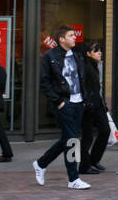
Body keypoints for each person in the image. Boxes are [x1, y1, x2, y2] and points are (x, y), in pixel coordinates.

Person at [34, 24, 91, 190]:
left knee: (68, 138)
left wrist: (84, 99)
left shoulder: (77, 55)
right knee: (72, 140)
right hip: (64, 104)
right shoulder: (49, 56)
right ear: (61, 39)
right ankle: (73, 179)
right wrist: (58, 101)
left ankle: (41, 163)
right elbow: (44, 83)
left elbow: (82, 79)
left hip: (78, 103)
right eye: (71, 35)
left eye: (74, 35)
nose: (75, 38)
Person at [79, 42, 110, 174]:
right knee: (87, 137)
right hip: (87, 106)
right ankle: (84, 166)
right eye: (96, 50)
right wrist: (86, 103)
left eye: (100, 50)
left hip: (97, 105)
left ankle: (94, 160)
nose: (99, 52)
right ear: (88, 54)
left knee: (105, 131)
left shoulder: (96, 66)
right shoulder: (84, 67)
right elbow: (83, 87)